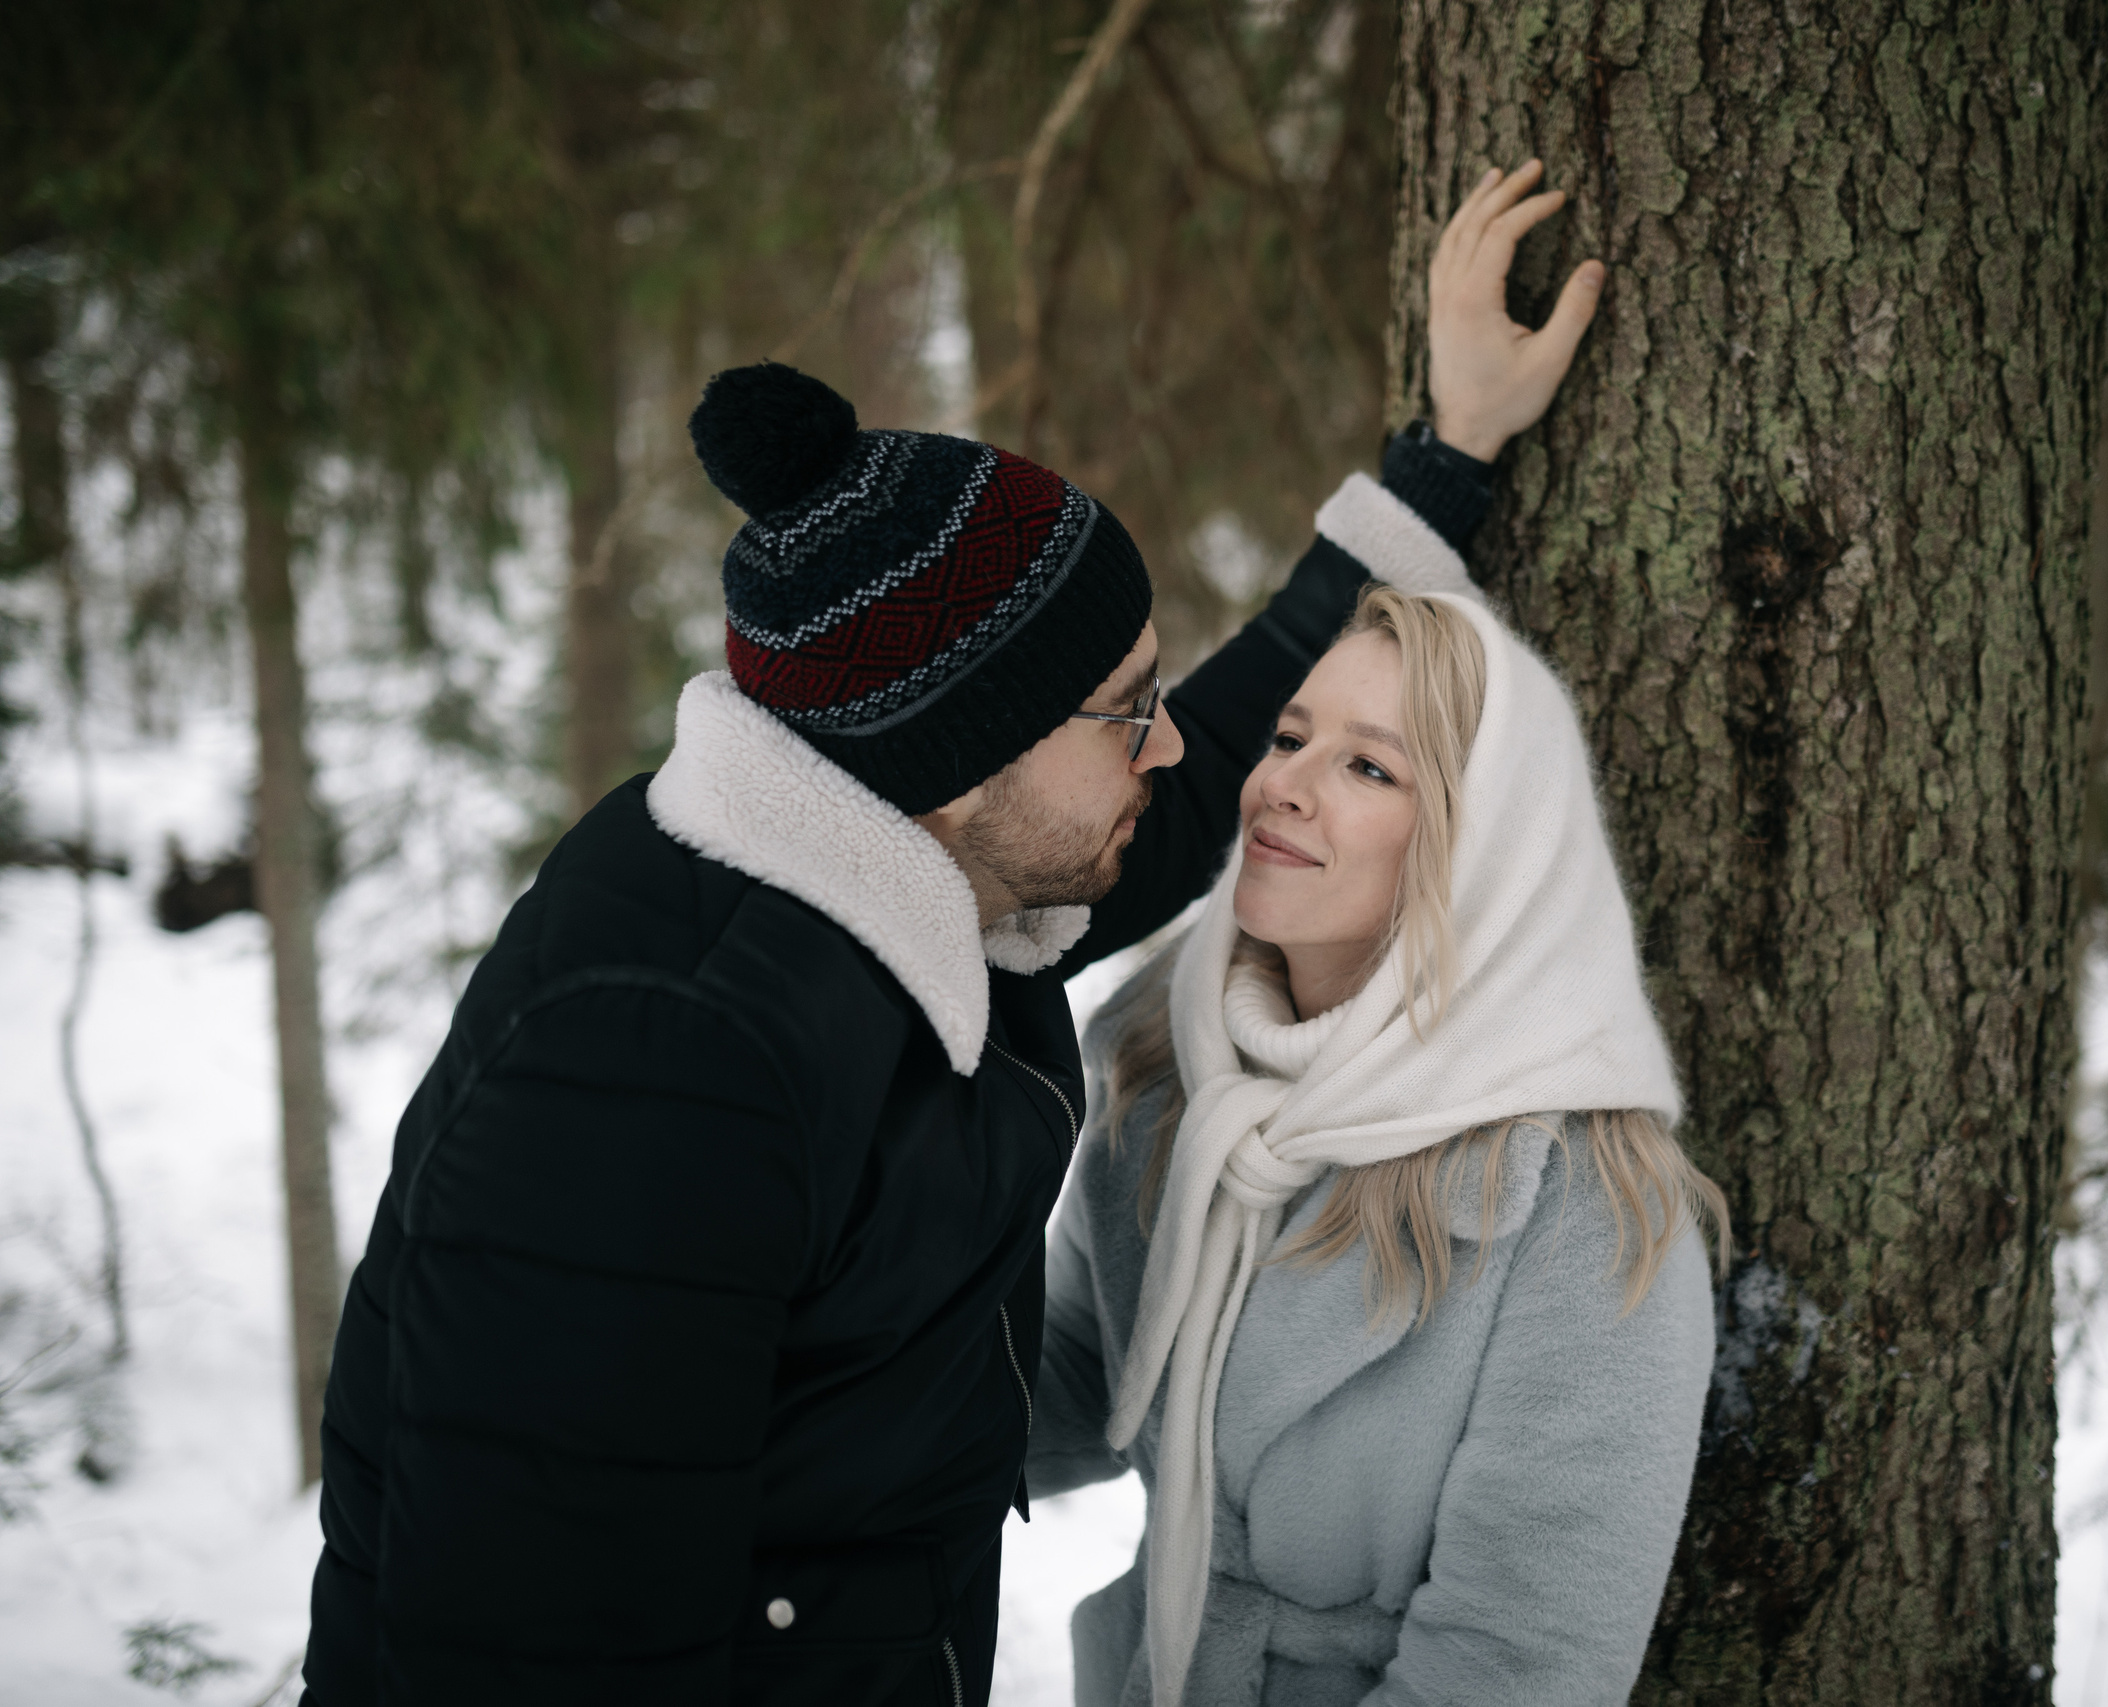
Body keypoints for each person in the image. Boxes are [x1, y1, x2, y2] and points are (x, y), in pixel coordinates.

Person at [299, 161, 1603, 1706]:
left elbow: (1189, 794)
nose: (1171, 748)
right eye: (1127, 709)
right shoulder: (656, 1068)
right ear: (963, 752)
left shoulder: (922, 858)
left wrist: (1446, 460)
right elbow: (531, 1640)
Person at [1025, 582, 1732, 1699]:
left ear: (1478, 845)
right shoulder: (1168, 1058)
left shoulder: (1583, 1210)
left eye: (1368, 767)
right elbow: (1073, 1368)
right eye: (1290, 737)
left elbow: (1516, 1667)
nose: (1281, 788)